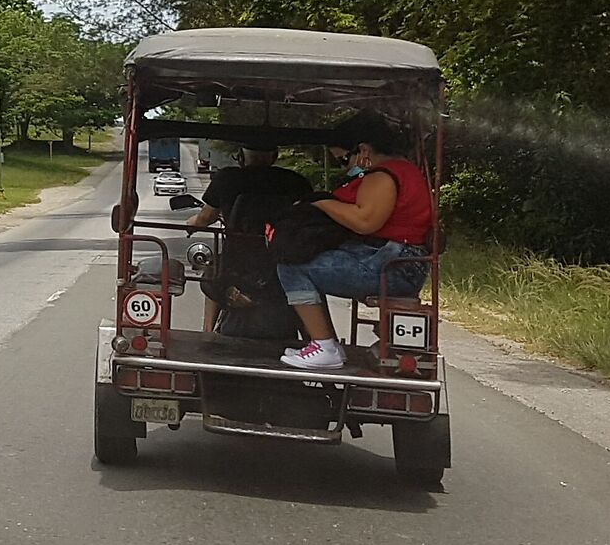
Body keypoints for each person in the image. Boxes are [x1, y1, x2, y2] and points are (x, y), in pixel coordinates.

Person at [276, 113, 435, 370]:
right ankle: (325, 343)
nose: (345, 167)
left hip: (390, 267)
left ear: (363, 150)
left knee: (292, 265)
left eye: (344, 159)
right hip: (395, 263)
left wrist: (320, 201)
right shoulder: (404, 170)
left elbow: (365, 221)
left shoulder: (382, 176)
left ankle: (324, 347)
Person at [184, 145, 313, 233]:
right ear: (275, 157)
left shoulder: (227, 178)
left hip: (237, 256)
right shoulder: (295, 180)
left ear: (240, 156)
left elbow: (206, 217)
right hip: (286, 253)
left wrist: (192, 223)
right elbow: (308, 218)